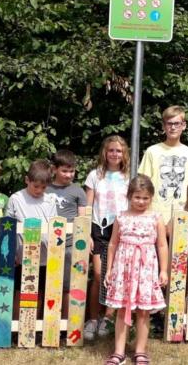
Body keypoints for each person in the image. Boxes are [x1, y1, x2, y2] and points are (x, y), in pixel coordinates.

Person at [103, 175, 168, 365]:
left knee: (143, 311)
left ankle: (140, 351)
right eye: (137, 197)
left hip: (146, 269)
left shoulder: (156, 218)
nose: (141, 201)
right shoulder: (121, 217)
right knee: (122, 309)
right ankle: (119, 352)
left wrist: (163, 271)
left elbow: (162, 245)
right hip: (123, 269)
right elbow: (113, 244)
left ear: (151, 198)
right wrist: (109, 270)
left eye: (145, 198)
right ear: (129, 196)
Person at [83, 136, 130, 340]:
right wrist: (86, 231)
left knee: (116, 276)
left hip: (121, 228)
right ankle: (93, 319)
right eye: (111, 150)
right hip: (98, 229)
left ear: (124, 153)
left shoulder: (129, 175)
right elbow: (87, 205)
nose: (114, 154)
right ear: (105, 152)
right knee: (100, 275)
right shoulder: (95, 175)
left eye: (118, 151)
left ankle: (108, 318)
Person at [5, 159, 57, 315]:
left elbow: (55, 227)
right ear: (27, 180)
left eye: (43, 187)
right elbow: (8, 227)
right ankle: (15, 325)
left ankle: (33, 326)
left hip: (45, 256)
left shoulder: (50, 200)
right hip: (22, 255)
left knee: (39, 291)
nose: (39, 190)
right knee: (20, 291)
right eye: (36, 186)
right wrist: (12, 252)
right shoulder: (16, 198)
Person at [137, 105, 188, 224]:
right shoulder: (152, 151)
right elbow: (142, 184)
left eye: (177, 123)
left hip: (183, 214)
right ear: (163, 126)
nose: (173, 127)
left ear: (184, 125)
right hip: (154, 214)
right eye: (169, 123)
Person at [46, 150, 87, 314]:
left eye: (71, 171)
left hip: (70, 243)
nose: (69, 175)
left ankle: (65, 321)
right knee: (50, 283)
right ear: (54, 169)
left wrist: (86, 237)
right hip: (48, 243)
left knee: (69, 284)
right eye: (64, 170)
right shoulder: (45, 188)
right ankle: (50, 319)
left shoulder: (78, 191)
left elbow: (82, 219)